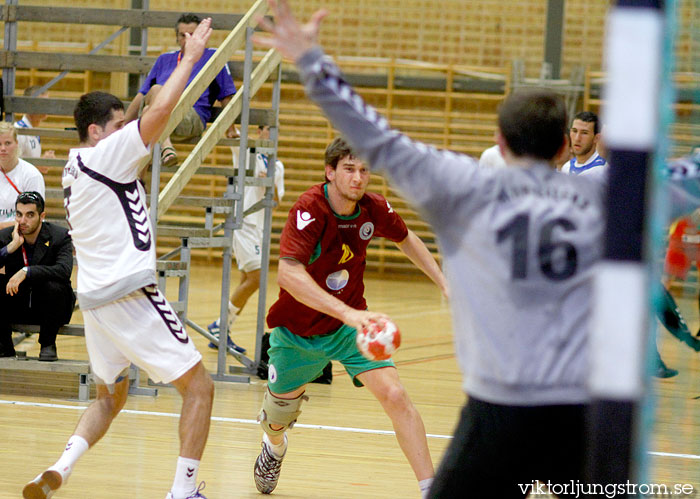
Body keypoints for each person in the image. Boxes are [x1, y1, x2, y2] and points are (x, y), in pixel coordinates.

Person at [253, 5, 700, 496]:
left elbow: (376, 138)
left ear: (499, 144)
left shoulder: (465, 190)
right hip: (581, 413)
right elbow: (689, 174)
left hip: (496, 413)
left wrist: (311, 60)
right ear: (561, 150)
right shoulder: (608, 193)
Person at [23, 18, 215, 499]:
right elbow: (163, 108)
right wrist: (190, 59)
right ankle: (183, 492)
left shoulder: (75, 164)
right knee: (200, 387)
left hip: (95, 300)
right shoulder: (104, 155)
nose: (125, 131)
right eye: (117, 126)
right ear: (96, 131)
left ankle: (61, 467)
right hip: (128, 292)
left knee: (111, 396)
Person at [251, 137, 448, 497]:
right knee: (278, 419)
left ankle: (429, 488)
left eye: (364, 170)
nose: (358, 178)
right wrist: (346, 311)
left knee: (395, 395)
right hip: (297, 332)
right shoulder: (309, 208)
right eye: (349, 169)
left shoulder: (372, 208)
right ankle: (274, 448)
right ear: (330, 172)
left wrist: (444, 283)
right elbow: (287, 274)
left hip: (348, 329)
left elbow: (406, 239)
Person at [207, 125, 285, 354]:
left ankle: (222, 330)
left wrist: (267, 184)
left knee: (247, 281)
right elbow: (230, 129)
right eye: (268, 129)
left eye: (275, 131)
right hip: (242, 222)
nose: (271, 134)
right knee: (257, 278)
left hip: (259, 227)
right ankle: (219, 327)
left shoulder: (276, 165)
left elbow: (278, 199)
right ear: (259, 131)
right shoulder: (247, 149)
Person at [124, 13, 237, 167]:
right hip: (160, 119)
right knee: (149, 107)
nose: (187, 39)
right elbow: (142, 95)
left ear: (201, 36)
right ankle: (153, 167)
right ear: (176, 38)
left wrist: (231, 129)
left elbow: (226, 96)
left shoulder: (213, 57)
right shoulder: (164, 59)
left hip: (190, 117)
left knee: (150, 110)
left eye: (192, 34)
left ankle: (165, 148)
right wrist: (123, 126)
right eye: (182, 35)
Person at [0, 191, 74, 361]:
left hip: (50, 307)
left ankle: (48, 344)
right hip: (19, 304)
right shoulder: (7, 237)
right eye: (19, 214)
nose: (22, 221)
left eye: (30, 215)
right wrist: (10, 248)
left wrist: (27, 271)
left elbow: (64, 270)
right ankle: (4, 345)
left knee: (54, 286)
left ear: (42, 216)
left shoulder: (59, 236)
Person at [0, 122, 45, 229]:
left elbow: (35, 219)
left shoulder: (31, 175)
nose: (3, 148)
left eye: (7, 143)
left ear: (16, 143)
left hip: (23, 236)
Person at [14, 85, 56, 161]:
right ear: (29, 105)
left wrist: (43, 163)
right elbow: (14, 166)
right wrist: (40, 164)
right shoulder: (19, 131)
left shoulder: (33, 131)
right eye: (42, 104)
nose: (46, 107)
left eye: (47, 103)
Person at [561, 111, 607, 175]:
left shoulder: (602, 170)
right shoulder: (566, 167)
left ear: (596, 138)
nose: (577, 138)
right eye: (574, 131)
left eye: (584, 133)